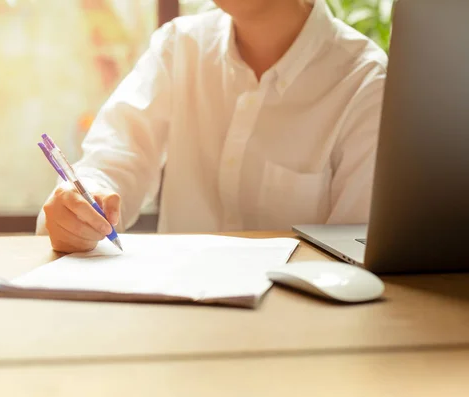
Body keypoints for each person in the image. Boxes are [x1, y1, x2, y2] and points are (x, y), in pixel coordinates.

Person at [36, 0, 388, 254]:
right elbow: (113, 160)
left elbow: (353, 256)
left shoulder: (366, 82)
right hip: (177, 317)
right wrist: (82, 207)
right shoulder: (180, 46)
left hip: (298, 331)